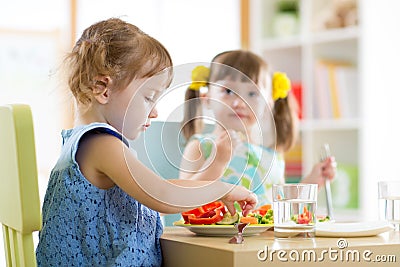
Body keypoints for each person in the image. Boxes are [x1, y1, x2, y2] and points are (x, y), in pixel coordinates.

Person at [35, 19, 257, 266]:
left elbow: (159, 187)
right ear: (103, 89)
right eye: (149, 98)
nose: (155, 112)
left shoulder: (86, 142)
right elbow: (161, 195)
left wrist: (212, 187)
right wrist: (222, 188)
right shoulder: (100, 143)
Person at [180, 50, 336, 205]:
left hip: (264, 231)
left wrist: (314, 181)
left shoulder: (270, 155)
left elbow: (282, 204)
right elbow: (183, 198)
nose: (240, 102)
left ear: (269, 103)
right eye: (228, 91)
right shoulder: (201, 146)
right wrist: (217, 162)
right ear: (206, 98)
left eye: (252, 94)